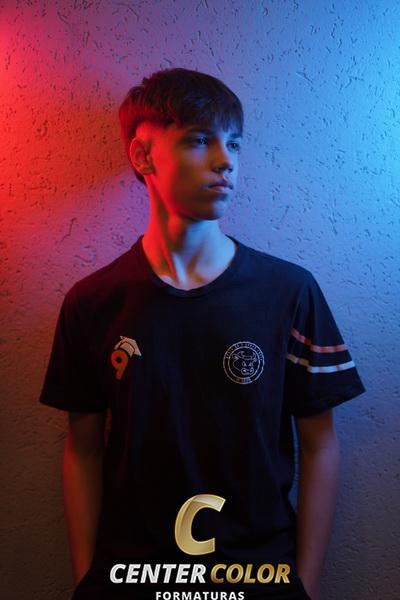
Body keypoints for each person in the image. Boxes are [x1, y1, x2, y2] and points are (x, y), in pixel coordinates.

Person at [39, 67, 366, 600]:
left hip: (258, 578)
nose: (226, 160)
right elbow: (83, 451)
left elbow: (320, 444)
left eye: (233, 143)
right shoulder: (93, 303)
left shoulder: (289, 293)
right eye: (199, 140)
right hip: (132, 579)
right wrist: (86, 579)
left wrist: (304, 585)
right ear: (143, 156)